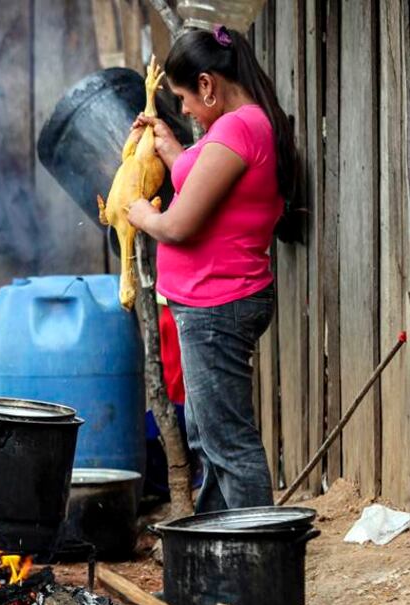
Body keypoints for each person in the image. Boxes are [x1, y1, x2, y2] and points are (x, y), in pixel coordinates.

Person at [127, 25, 301, 513]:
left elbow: (180, 225)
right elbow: (207, 186)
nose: (182, 110)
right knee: (210, 440)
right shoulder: (241, 127)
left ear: (207, 84)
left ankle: (257, 568)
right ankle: (217, 555)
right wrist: (170, 150)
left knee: (230, 446)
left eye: (183, 97)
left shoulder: (238, 127)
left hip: (217, 305)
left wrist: (141, 213)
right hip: (211, 302)